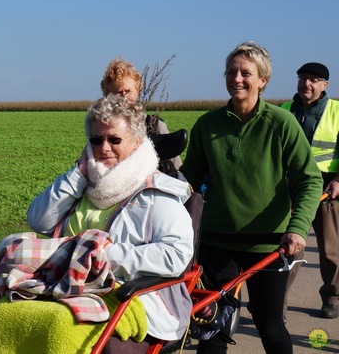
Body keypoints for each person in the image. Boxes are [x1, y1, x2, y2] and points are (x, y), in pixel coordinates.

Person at [180, 41, 323, 353]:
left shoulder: (282, 123)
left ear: (263, 80)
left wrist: (298, 228)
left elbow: (309, 181)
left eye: (246, 72)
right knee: (212, 329)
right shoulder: (208, 125)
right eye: (231, 72)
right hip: (217, 244)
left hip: (268, 246)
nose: (237, 78)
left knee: (270, 326)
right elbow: (187, 181)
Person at [26, 94, 195, 351]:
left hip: (136, 298)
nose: (104, 148)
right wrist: (77, 175)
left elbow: (176, 256)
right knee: (9, 311)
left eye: (115, 139)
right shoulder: (82, 186)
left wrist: (104, 257)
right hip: (70, 289)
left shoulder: (156, 192)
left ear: (137, 142)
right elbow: (38, 221)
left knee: (61, 327)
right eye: (96, 140)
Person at [281, 62, 339, 319]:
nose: (307, 83)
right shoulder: (283, 110)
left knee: (330, 251)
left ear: (324, 85)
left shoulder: (337, 111)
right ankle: (276, 304)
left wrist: (338, 179)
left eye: (314, 79)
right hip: (291, 190)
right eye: (303, 78)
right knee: (289, 250)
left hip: (327, 191)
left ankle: (332, 298)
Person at [100, 57, 183, 172]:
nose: (124, 97)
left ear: (138, 91)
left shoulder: (156, 126)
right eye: (118, 92)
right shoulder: (100, 127)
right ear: (107, 95)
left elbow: (177, 167)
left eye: (128, 91)